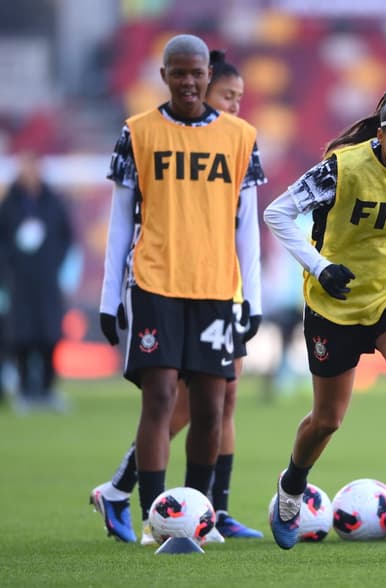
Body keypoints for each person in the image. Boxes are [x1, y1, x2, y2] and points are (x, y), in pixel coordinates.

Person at [263, 88, 386, 552]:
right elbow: (278, 213)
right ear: (381, 137)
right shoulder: (343, 168)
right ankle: (292, 486)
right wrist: (319, 267)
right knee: (328, 420)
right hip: (338, 299)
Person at [92, 36, 265, 545]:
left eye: (197, 74)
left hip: (214, 287)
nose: (189, 82)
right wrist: (108, 300)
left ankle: (197, 517)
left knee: (212, 407)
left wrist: (250, 297)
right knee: (161, 397)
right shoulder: (138, 133)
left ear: (208, 77)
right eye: (179, 73)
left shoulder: (240, 136)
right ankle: (155, 520)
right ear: (164, 75)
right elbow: (121, 220)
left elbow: (248, 225)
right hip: (155, 284)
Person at [0, 151, 74, 412]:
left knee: (49, 335)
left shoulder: (54, 202)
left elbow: (67, 237)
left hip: (47, 281)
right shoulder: (9, 204)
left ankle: (46, 390)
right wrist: (9, 266)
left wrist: (54, 263)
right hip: (19, 282)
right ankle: (24, 390)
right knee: (21, 336)